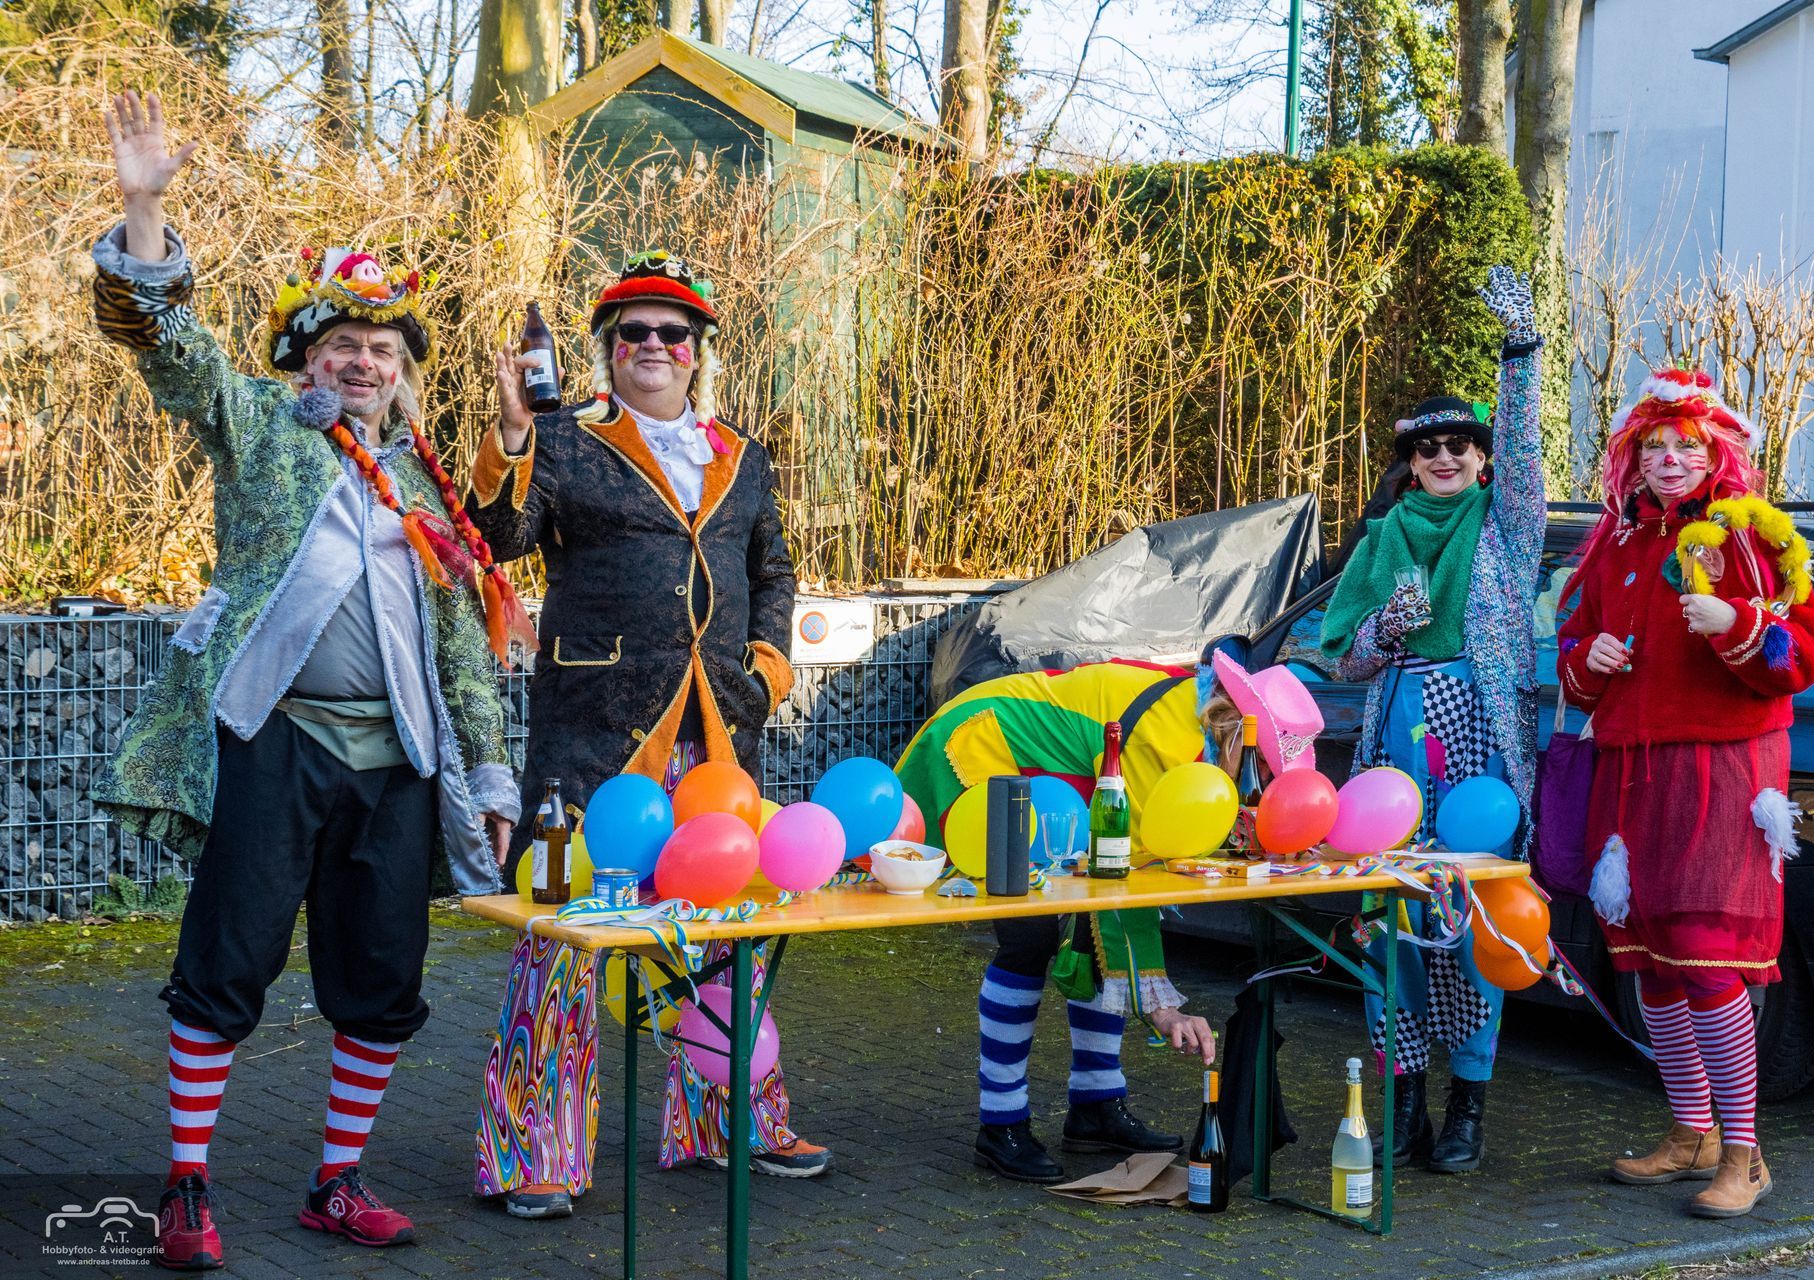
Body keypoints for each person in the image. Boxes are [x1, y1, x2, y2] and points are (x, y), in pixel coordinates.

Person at [91, 92, 524, 1271]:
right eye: (343, 343)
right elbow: (169, 351)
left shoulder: (426, 486)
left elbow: (461, 650)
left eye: (383, 350)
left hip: (396, 760)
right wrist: (143, 209)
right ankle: (186, 1185)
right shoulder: (262, 429)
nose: (364, 361)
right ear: (305, 354)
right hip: (273, 739)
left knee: (380, 978)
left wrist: (488, 769)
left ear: (401, 371)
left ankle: (337, 1181)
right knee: (227, 962)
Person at [467, 250, 820, 1220]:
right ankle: (534, 1153)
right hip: (593, 732)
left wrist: (768, 668)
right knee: (561, 935)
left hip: (715, 734)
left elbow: (773, 568)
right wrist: (510, 434)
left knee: (720, 927)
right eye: (634, 331)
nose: (654, 345)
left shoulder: (741, 453)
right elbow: (495, 539)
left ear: (697, 350)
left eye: (674, 332)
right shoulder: (563, 437)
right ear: (608, 348)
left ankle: (732, 1119)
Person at [1557, 367, 1814, 1218]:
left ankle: (1746, 1156)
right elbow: (1572, 652)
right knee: (1648, 961)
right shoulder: (1615, 542)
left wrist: (1738, 624)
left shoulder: (1750, 536)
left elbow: (1804, 656)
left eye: (1686, 446)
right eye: (1653, 446)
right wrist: (1589, 658)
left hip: (1722, 772)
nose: (1669, 459)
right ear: (1631, 458)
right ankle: (1692, 1132)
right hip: (1628, 772)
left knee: (1708, 956)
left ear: (1715, 454)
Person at [894, 652, 1324, 1183]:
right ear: (1237, 734)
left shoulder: (1200, 729)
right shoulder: (1162, 740)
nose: (1259, 784)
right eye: (1264, 768)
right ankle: (1001, 1124)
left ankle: (1096, 1106)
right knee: (1029, 935)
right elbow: (1124, 881)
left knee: (1088, 929)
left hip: (1050, 775)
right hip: (978, 744)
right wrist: (1160, 1006)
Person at [1318, 265, 1544, 1176]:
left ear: (1482, 458)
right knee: (1392, 924)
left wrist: (1520, 351)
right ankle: (1403, 1101)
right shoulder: (1381, 539)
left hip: (1480, 745)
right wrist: (1383, 627)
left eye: (1461, 445)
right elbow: (1343, 658)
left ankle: (1468, 1110)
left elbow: (1527, 456)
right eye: (1428, 448)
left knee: (1477, 925)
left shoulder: (1506, 527)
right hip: (1395, 741)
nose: (1446, 458)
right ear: (1409, 462)